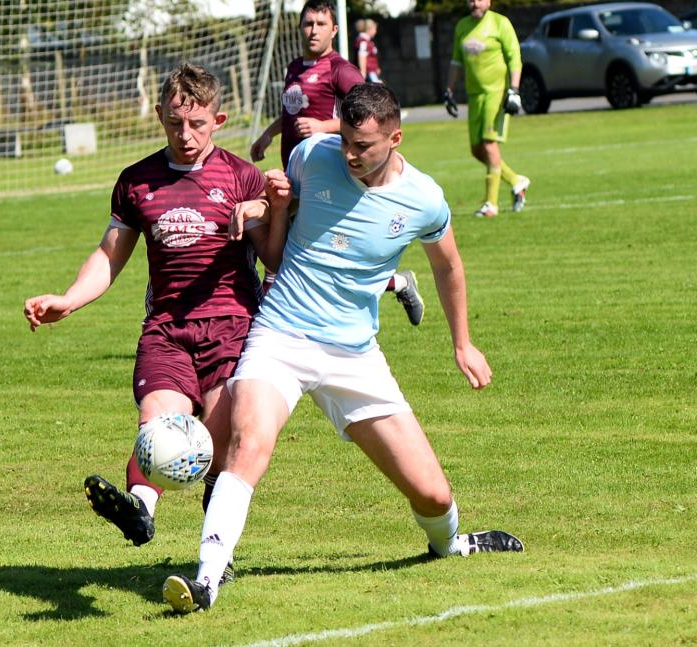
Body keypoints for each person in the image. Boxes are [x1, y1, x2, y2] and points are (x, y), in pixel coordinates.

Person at [162, 83, 524, 614]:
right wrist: (263, 204)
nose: (351, 155)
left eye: (365, 147)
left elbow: (448, 265)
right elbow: (281, 201)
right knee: (249, 444)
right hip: (280, 335)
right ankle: (206, 579)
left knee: (433, 496)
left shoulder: (424, 198)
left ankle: (451, 543)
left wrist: (463, 344)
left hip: (354, 354)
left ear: (396, 138)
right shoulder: (314, 154)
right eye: (347, 141)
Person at [23, 63, 282, 583]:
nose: (185, 137)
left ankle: (216, 551)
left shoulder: (241, 176)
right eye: (174, 125)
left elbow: (272, 257)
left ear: (219, 119)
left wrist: (272, 210)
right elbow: (110, 255)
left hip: (232, 330)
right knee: (157, 428)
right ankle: (140, 509)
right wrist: (69, 300)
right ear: (160, 115)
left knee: (217, 444)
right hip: (166, 329)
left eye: (198, 125)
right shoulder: (136, 181)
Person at [250, 0, 424, 326]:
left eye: (320, 23)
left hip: (329, 176)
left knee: (296, 252)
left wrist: (323, 127)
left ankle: (264, 321)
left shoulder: (339, 69)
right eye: (307, 23)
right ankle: (398, 283)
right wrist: (269, 134)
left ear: (334, 29)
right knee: (305, 255)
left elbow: (371, 114)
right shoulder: (295, 67)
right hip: (297, 174)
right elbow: (293, 113)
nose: (313, 30)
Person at [443, 0, 529, 218]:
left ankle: (491, 204)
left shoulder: (501, 23)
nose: (474, 3)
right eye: (470, 0)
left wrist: (514, 90)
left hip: (496, 94)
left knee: (490, 146)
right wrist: (449, 91)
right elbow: (456, 62)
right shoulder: (462, 26)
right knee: (476, 149)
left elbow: (515, 59)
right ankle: (516, 181)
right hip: (475, 96)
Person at [354, 18, 381, 83]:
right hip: (369, 73)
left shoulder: (368, 42)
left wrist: (376, 68)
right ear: (369, 29)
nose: (376, 31)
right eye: (375, 29)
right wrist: (363, 73)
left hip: (371, 72)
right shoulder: (363, 42)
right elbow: (362, 57)